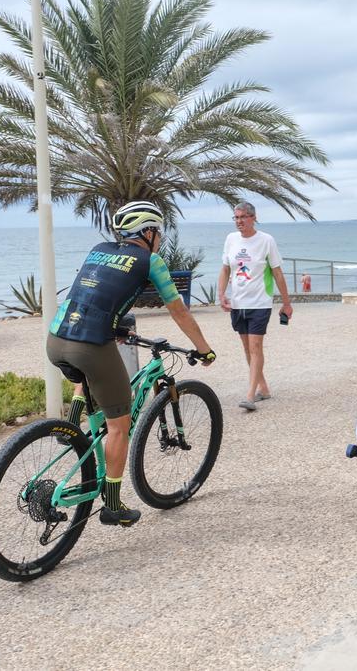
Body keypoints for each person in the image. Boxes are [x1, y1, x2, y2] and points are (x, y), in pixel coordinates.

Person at [47, 201, 216, 527]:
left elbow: (95, 292)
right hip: (90, 345)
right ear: (148, 232)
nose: (160, 239)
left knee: (88, 377)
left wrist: (116, 327)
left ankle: (71, 430)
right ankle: (111, 505)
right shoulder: (151, 260)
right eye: (159, 232)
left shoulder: (99, 249)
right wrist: (204, 349)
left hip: (56, 338)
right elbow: (178, 311)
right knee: (118, 426)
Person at [218, 202, 293, 412]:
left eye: (243, 217)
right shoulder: (231, 240)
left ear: (253, 217)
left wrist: (286, 303)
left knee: (255, 347)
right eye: (236, 217)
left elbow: (277, 273)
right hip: (237, 302)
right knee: (246, 348)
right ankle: (264, 389)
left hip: (260, 302)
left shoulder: (266, 240)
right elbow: (225, 269)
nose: (239, 221)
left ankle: (250, 396)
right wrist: (221, 294)